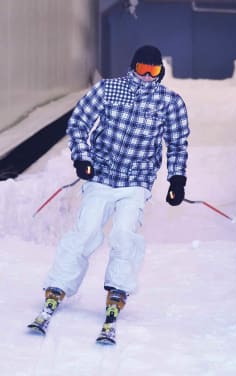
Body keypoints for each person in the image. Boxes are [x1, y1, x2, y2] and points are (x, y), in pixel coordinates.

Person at [28, 45, 190, 344]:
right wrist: (82, 158)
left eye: (152, 71)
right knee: (86, 230)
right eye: (141, 68)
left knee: (125, 234)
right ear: (133, 66)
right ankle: (58, 287)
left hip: (136, 181)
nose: (146, 76)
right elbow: (78, 124)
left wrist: (177, 179)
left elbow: (177, 143)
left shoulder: (170, 101)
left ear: (160, 72)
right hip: (102, 176)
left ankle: (118, 288)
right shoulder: (107, 90)